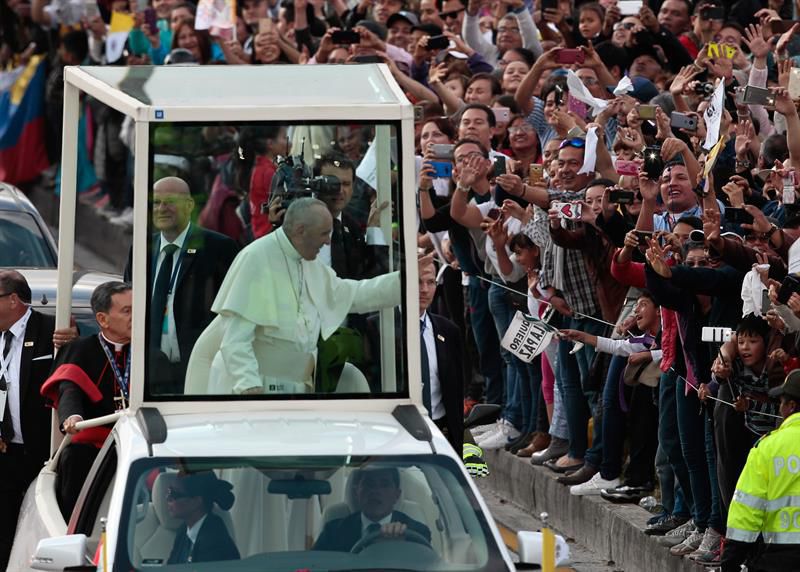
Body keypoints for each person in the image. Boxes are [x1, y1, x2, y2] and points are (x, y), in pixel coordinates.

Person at [206, 197, 400, 395]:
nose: (327, 242)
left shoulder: (308, 261)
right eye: (324, 234)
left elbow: (353, 295)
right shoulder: (256, 257)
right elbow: (235, 339)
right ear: (300, 230)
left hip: (297, 387)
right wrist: (248, 385)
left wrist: (405, 281)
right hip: (255, 387)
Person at [124, 176, 239, 395]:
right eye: (156, 202)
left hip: (198, 367)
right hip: (149, 372)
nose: (161, 208)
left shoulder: (218, 248)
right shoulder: (141, 247)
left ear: (189, 205)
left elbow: (230, 311)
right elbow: (127, 301)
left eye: (170, 202)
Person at [41, 281, 132, 519]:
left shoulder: (150, 351)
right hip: (96, 442)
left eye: (136, 308)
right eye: (126, 311)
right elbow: (69, 389)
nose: (135, 316)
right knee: (74, 459)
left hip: (138, 440)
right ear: (102, 319)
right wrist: (72, 416)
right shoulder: (81, 350)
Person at [0, 270, 56, 570]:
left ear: (12, 300)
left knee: (41, 524)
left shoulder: (51, 330)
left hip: (42, 452)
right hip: (4, 451)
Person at [721, 369, 800, 572]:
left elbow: (747, 509)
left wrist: (730, 561)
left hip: (779, 559)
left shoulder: (768, 448)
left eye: (781, 402)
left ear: (791, 406)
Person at [313, 466, 431, 551]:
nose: (376, 491)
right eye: (369, 483)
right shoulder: (333, 532)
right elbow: (313, 565)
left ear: (397, 495)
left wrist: (399, 547)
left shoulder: (416, 532)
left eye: (384, 484)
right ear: (356, 492)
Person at [418, 258, 465, 454]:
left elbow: (456, 390)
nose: (424, 290)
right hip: (400, 432)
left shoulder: (448, 330)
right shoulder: (381, 329)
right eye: (418, 281)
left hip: (440, 432)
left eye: (430, 282)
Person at [166, 471, 240, 565]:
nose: (168, 498)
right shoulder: (184, 530)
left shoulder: (214, 541)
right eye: (169, 491)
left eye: (174, 494)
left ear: (196, 501)